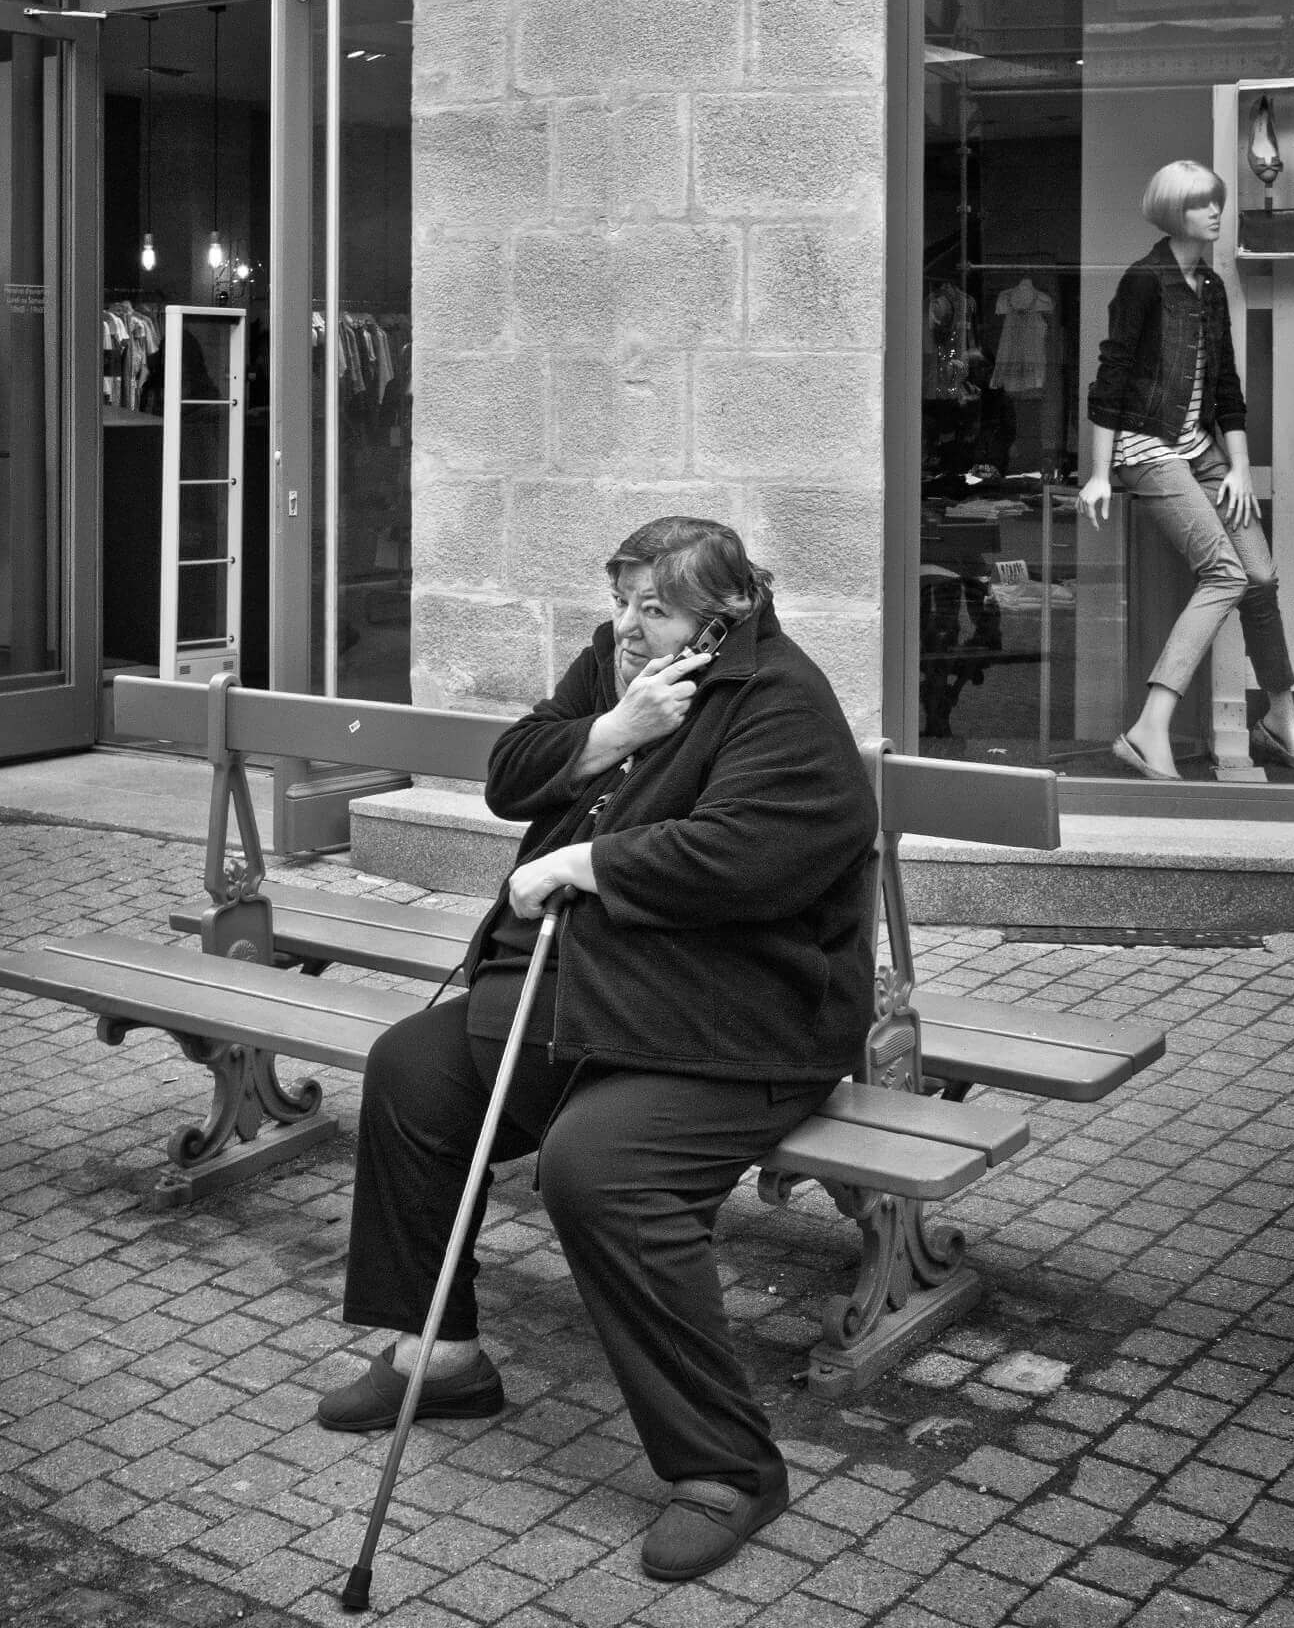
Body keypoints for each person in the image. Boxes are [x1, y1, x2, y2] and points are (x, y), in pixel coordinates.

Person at [316, 515, 879, 1581]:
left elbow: (746, 855)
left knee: (598, 1167)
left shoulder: (782, 702)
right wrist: (612, 730)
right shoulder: (617, 664)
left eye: (652, 606)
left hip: (736, 1018)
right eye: (622, 596)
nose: (626, 622)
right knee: (413, 1072)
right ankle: (441, 1358)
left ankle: (727, 1468)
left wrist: (583, 864)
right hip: (585, 997)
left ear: (724, 618)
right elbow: (511, 771)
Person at [1077, 159, 1294, 782]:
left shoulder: (1209, 286)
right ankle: (1149, 726)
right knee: (1223, 573)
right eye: (1200, 205)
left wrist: (1238, 466)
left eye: (1216, 201)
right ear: (1172, 214)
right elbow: (1109, 380)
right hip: (1145, 445)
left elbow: (1228, 387)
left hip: (1198, 447)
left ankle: (1278, 720)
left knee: (1260, 577)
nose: (1215, 212)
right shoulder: (1142, 282)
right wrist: (1101, 472)